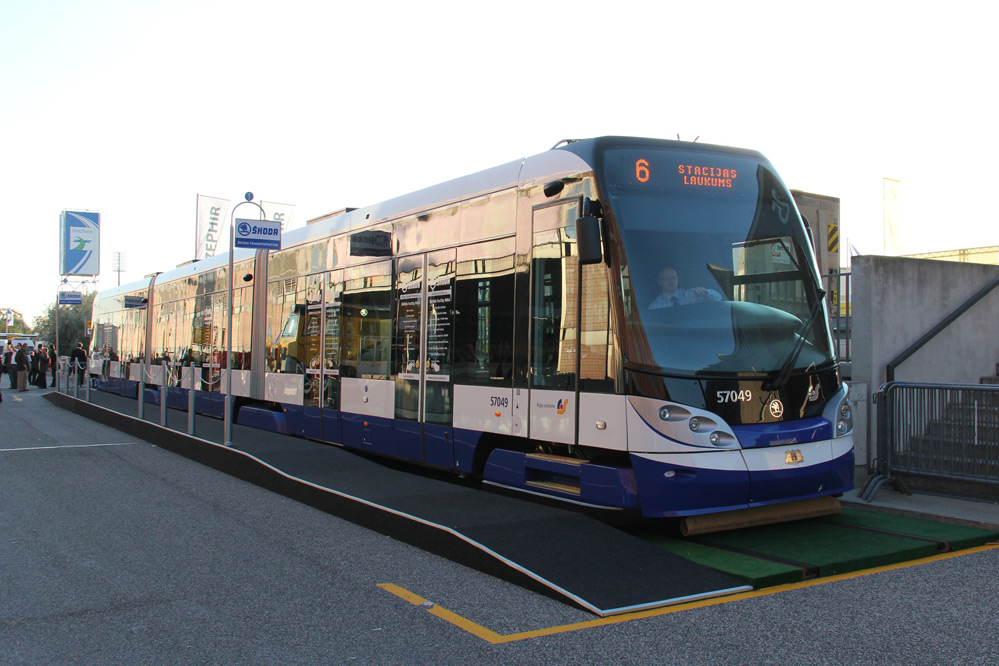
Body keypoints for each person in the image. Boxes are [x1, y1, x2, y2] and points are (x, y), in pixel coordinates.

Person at [648, 267, 722, 310]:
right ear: (660, 282)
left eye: (674, 278)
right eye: (667, 279)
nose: (671, 281)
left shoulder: (691, 295)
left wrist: (705, 292)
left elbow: (718, 298)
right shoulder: (655, 306)